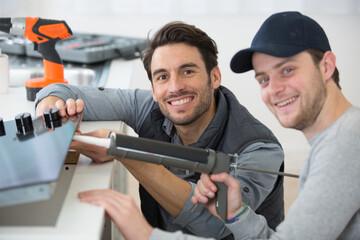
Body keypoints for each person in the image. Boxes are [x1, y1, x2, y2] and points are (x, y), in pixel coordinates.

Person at [35, 22, 284, 239]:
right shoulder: (151, 106)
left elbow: (214, 225)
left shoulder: (259, 149)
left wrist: (124, 150)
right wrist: (53, 110)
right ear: (153, 89)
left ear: (215, 77)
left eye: (187, 71)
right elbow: (64, 92)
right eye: (162, 77)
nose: (175, 87)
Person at [192, 11, 360, 239]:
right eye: (264, 79)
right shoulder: (341, 135)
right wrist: (236, 213)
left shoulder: (345, 142)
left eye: (287, 70)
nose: (274, 89)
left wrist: (147, 234)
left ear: (326, 66)